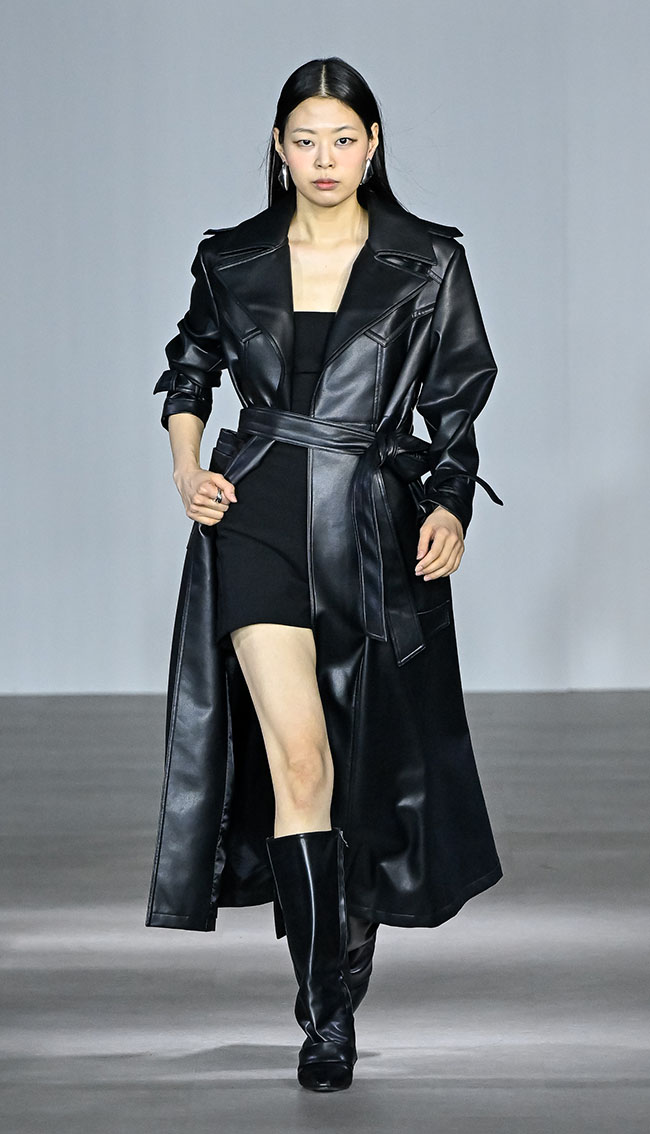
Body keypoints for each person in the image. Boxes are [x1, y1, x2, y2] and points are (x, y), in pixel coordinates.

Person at [146, 56, 504, 1093]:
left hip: (371, 520)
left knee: (365, 760)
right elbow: (188, 369)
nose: (324, 158)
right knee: (300, 760)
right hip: (255, 511)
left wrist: (447, 503)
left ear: (372, 144)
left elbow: (457, 397)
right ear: (278, 147)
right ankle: (325, 1012)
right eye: (304, 140)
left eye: (342, 139)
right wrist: (187, 470)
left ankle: (342, 949)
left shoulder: (426, 260)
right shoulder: (232, 258)